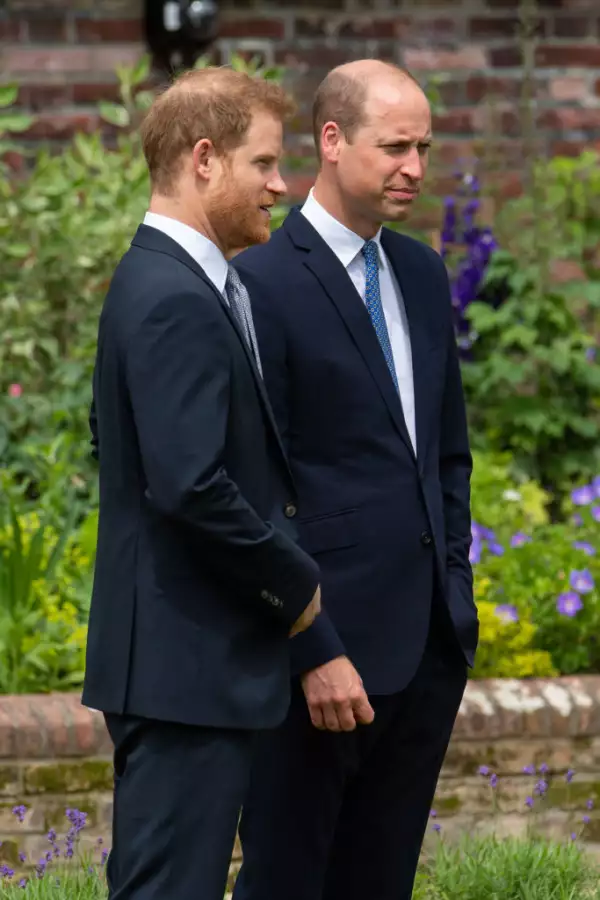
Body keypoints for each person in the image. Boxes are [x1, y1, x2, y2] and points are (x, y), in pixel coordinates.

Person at [232, 59, 479, 900]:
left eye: (424, 147)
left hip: (425, 653)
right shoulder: (260, 280)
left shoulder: (420, 272)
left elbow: (446, 455)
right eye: (396, 146)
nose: (416, 166)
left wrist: (457, 598)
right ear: (331, 142)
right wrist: (311, 645)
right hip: (319, 663)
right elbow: (258, 486)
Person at [82, 66, 322, 900]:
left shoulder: (174, 281)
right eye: (265, 164)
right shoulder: (171, 296)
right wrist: (292, 582)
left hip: (190, 663)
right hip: (183, 670)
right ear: (206, 160)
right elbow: (187, 484)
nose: (282, 186)